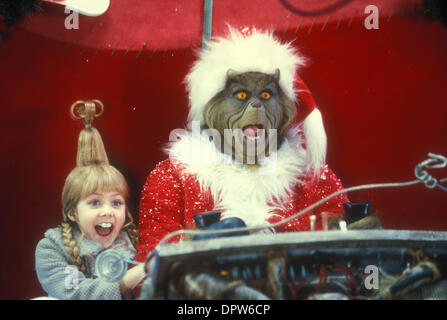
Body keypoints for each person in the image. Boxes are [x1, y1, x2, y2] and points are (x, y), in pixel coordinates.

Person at [136, 27, 349, 262]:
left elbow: (347, 265)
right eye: (240, 95)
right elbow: (150, 275)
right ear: (210, 109)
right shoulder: (172, 177)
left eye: (267, 95)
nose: (256, 106)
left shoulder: (314, 177)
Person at [35, 101, 145, 299]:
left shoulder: (135, 242)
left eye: (116, 202)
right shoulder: (51, 248)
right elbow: (78, 293)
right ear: (73, 212)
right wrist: (130, 279)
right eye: (95, 202)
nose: (107, 211)